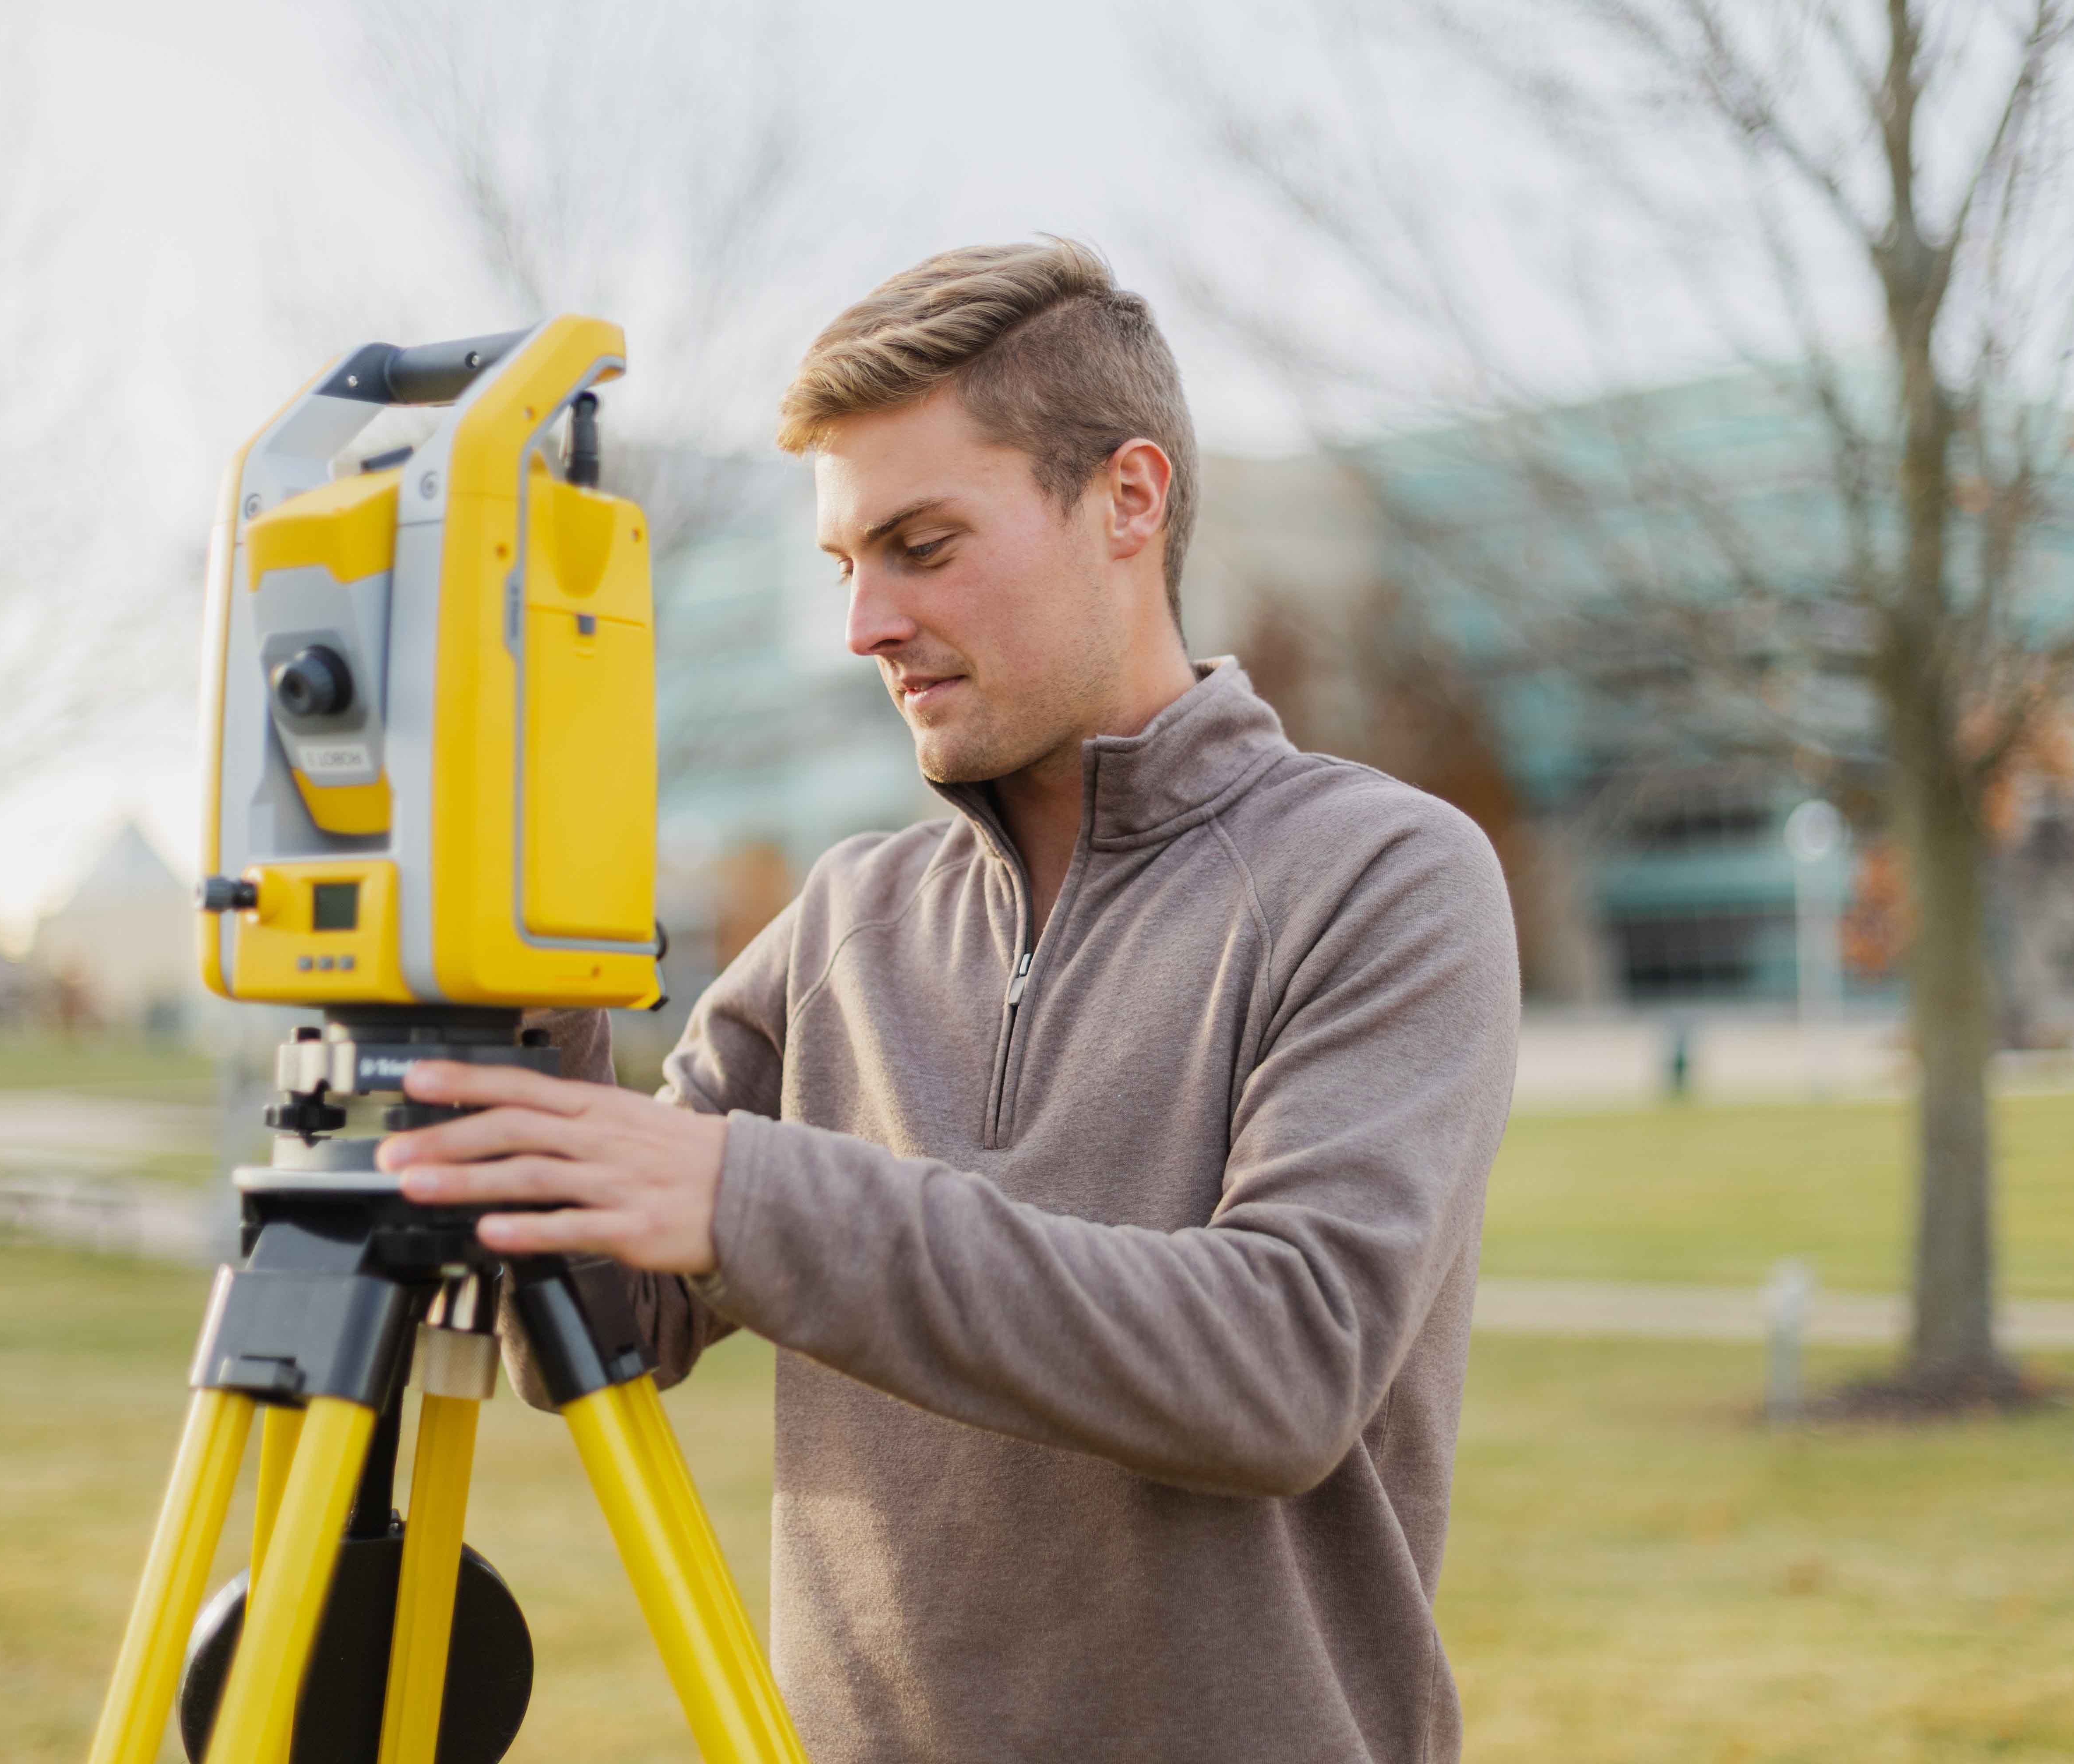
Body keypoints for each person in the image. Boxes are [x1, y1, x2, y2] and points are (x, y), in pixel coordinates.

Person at [380, 239, 1521, 1763]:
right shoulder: (851, 916)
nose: (865, 627)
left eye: (924, 545)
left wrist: (748, 1197)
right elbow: (591, 1325)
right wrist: (517, 939)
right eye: (845, 565)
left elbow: (1285, 1363)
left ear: (1129, 500)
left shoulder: (1384, 877)